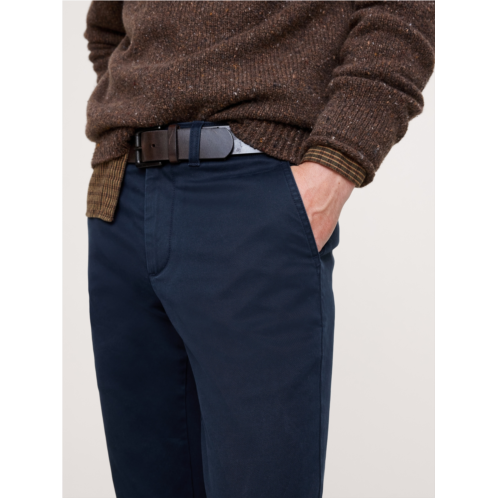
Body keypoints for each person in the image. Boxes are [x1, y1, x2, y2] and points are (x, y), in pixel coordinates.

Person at [85, 1, 435, 497]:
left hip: (254, 196)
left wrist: (336, 164)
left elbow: (402, 13)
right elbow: (106, 27)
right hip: (123, 201)